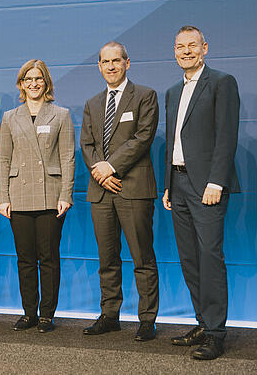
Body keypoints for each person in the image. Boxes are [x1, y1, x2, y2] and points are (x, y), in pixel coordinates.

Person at [162, 25, 240, 360]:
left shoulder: (222, 82)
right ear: (174, 51)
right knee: (190, 259)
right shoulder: (172, 92)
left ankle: (215, 333)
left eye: (192, 45)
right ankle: (202, 322)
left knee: (210, 259)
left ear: (205, 48)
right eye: (180, 46)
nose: (186, 51)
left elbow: (226, 135)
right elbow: (174, 142)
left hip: (206, 185)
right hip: (177, 184)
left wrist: (216, 182)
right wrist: (168, 183)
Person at [80, 42, 160, 341]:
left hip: (134, 188)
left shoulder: (145, 96)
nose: (111, 66)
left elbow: (142, 138)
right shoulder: (92, 103)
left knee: (142, 257)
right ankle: (110, 315)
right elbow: (87, 144)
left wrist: (110, 167)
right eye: (105, 61)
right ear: (99, 66)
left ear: (128, 63)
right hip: (101, 192)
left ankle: (147, 319)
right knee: (107, 259)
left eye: (116, 60)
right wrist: (100, 172)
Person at [0, 59, 75, 333]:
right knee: (25, 258)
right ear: (21, 84)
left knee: (49, 256)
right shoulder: (9, 117)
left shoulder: (61, 114)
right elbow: (3, 159)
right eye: (27, 79)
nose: (33, 83)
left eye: (38, 78)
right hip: (18, 195)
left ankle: (46, 315)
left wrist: (66, 193)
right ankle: (29, 312)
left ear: (46, 83)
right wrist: (2, 197)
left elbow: (67, 157)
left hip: (50, 195)